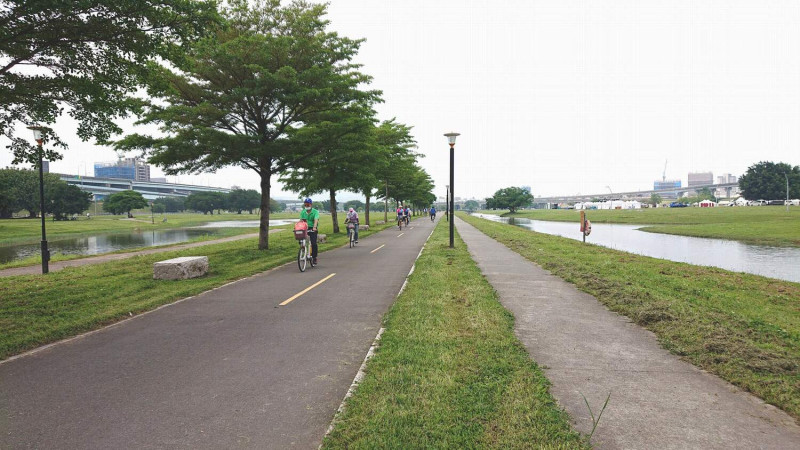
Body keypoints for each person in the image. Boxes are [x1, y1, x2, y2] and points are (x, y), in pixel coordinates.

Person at [299, 198, 320, 264]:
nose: (306, 206)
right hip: (305, 228)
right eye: (305, 205)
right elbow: (301, 221)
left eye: (308, 205)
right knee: (301, 241)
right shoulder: (303, 212)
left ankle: (314, 257)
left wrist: (314, 227)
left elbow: (316, 220)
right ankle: (303, 250)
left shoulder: (315, 212)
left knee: (313, 243)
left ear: (311, 205)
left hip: (312, 228)